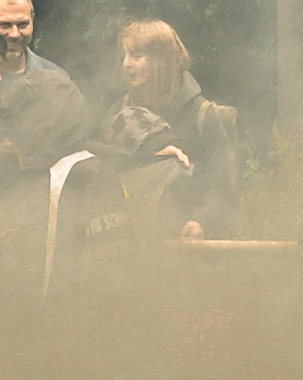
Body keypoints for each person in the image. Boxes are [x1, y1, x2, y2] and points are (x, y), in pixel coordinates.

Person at [95, 18, 242, 237]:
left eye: (137, 56)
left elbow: (223, 187)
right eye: (125, 55)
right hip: (133, 241)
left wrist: (203, 221)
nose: (126, 64)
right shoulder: (119, 111)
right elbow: (101, 170)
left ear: (161, 61)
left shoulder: (203, 117)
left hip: (187, 247)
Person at [0, 0, 94, 157]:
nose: (14, 34)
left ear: (32, 19)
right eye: (5, 25)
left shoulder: (57, 81)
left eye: (22, 24)